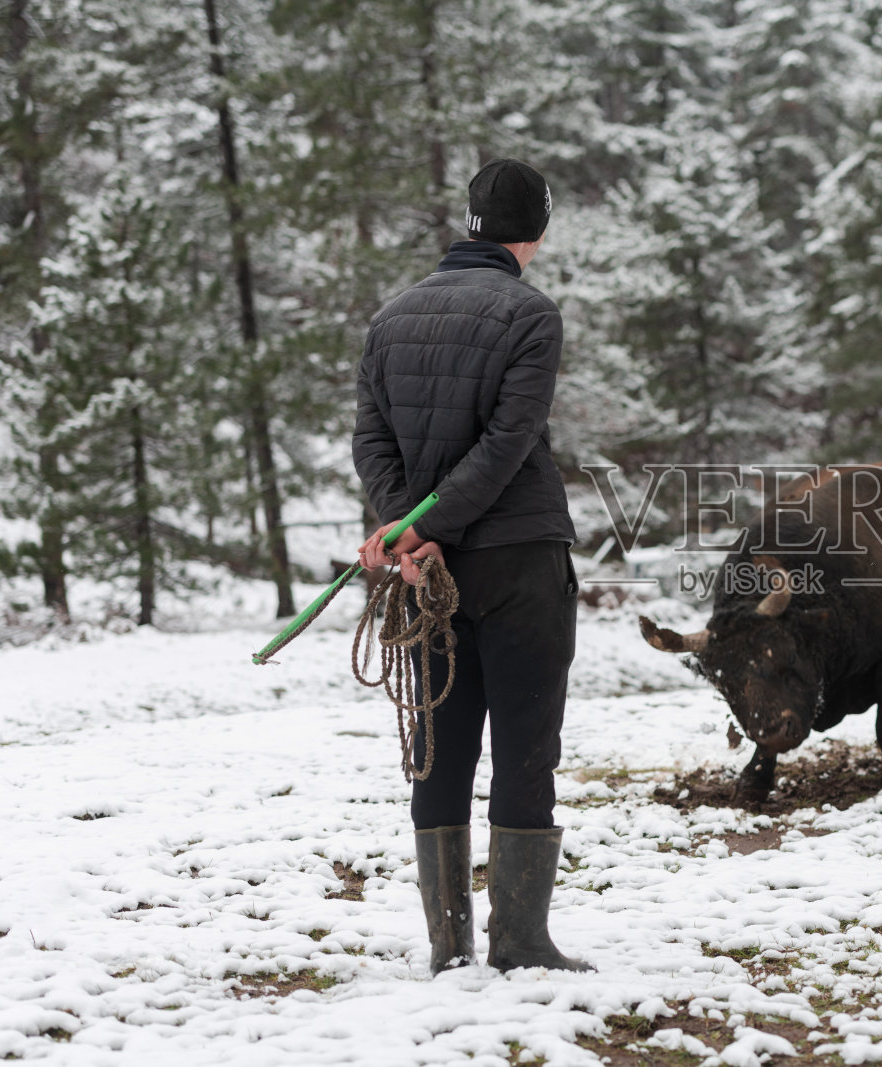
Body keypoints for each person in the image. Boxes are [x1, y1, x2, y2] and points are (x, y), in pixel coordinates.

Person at [352, 158, 588, 976]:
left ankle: (448, 942)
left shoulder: (390, 317)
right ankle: (519, 939)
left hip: (428, 574)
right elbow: (507, 443)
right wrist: (424, 527)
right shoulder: (532, 314)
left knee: (440, 743)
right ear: (538, 229)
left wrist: (409, 529)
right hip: (519, 560)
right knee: (526, 742)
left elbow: (372, 440)